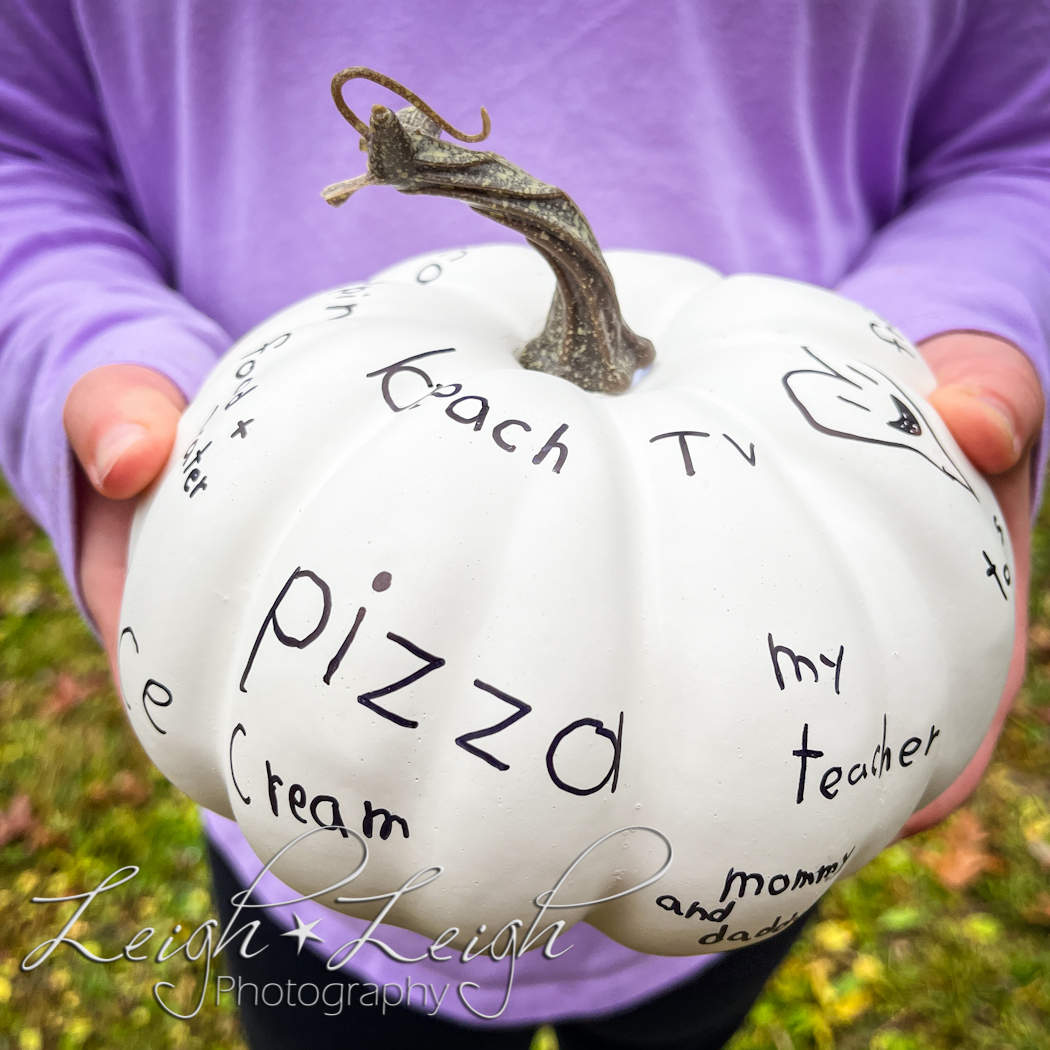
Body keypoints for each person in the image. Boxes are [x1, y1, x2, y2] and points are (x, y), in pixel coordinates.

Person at [2, 2, 1048, 1047]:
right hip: (308, 873)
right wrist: (82, 348)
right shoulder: (340, 386)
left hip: (730, 859)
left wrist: (973, 322)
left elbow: (1018, 141)